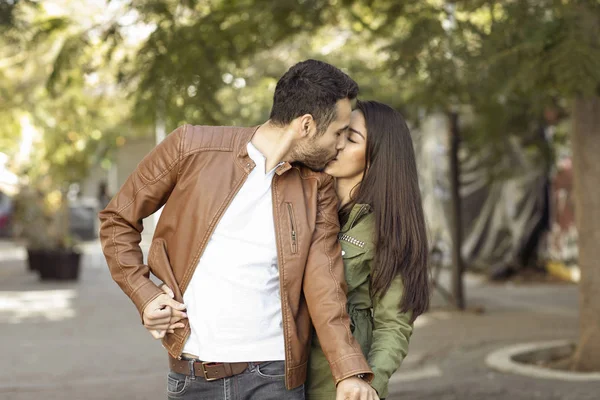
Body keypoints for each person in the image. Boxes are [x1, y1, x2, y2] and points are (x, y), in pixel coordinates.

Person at [98, 60, 380, 400]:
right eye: (337, 133)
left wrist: (348, 371)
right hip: (193, 375)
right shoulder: (191, 147)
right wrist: (145, 295)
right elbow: (118, 219)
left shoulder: (314, 186)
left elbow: (326, 284)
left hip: (274, 377)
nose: (339, 145)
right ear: (306, 125)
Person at [306, 100, 431, 399]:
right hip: (275, 377)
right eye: (338, 133)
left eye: (351, 139)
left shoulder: (386, 228)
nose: (337, 144)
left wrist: (369, 386)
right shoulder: (301, 199)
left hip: (335, 385)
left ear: (377, 157)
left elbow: (394, 324)